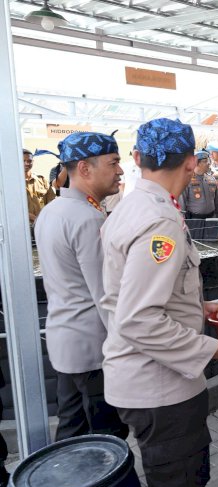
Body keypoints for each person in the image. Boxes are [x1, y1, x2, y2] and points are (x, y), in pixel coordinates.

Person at [100, 118, 218, 487]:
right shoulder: (159, 222)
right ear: (190, 162)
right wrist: (215, 348)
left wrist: (197, 306)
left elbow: (131, 294)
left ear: (137, 158)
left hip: (144, 379)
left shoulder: (131, 206)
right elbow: (139, 319)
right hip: (160, 388)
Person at [34, 131, 129, 442]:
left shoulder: (51, 212)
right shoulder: (88, 219)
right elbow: (106, 295)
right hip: (92, 351)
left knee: (71, 430)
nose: (120, 170)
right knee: (106, 438)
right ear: (85, 169)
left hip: (65, 343)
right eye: (113, 162)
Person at [179, 149, 218, 219]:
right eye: (205, 161)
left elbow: (217, 202)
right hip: (195, 221)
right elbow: (182, 204)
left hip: (212, 219)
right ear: (197, 163)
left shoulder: (211, 179)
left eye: (208, 161)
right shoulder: (187, 180)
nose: (208, 163)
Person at [24, 148, 56, 226]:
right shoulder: (13, 183)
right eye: (23, 161)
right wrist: (35, 219)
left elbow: (52, 201)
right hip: (24, 226)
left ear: (33, 162)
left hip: (43, 224)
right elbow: (14, 208)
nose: (27, 163)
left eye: (29, 161)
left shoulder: (41, 180)